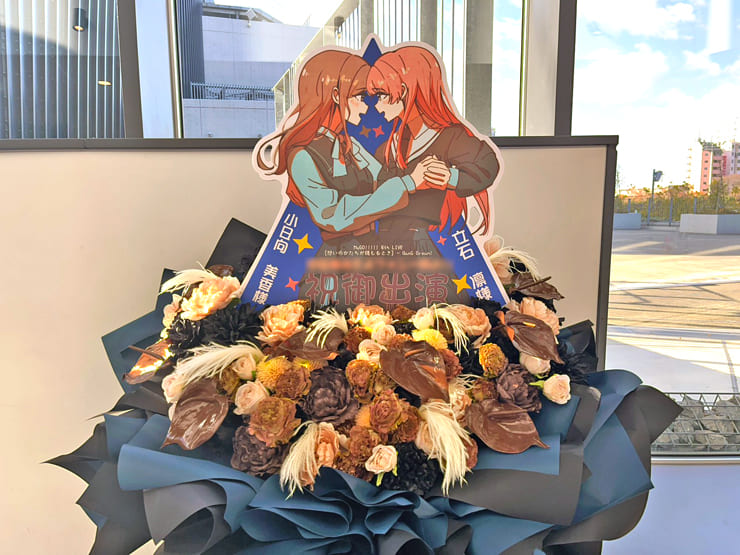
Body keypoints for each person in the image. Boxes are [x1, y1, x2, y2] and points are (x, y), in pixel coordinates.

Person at [253, 49, 440, 305]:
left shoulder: (349, 146)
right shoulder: (303, 156)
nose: (367, 106)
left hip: (371, 253)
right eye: (360, 97)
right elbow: (333, 214)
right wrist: (408, 183)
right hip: (338, 263)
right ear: (335, 95)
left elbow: (384, 176)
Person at [367, 44, 502, 240]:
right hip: (385, 242)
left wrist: (450, 177)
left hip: (422, 242)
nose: (377, 106)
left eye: (382, 95)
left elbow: (488, 164)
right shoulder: (389, 147)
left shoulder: (449, 137)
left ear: (403, 91)